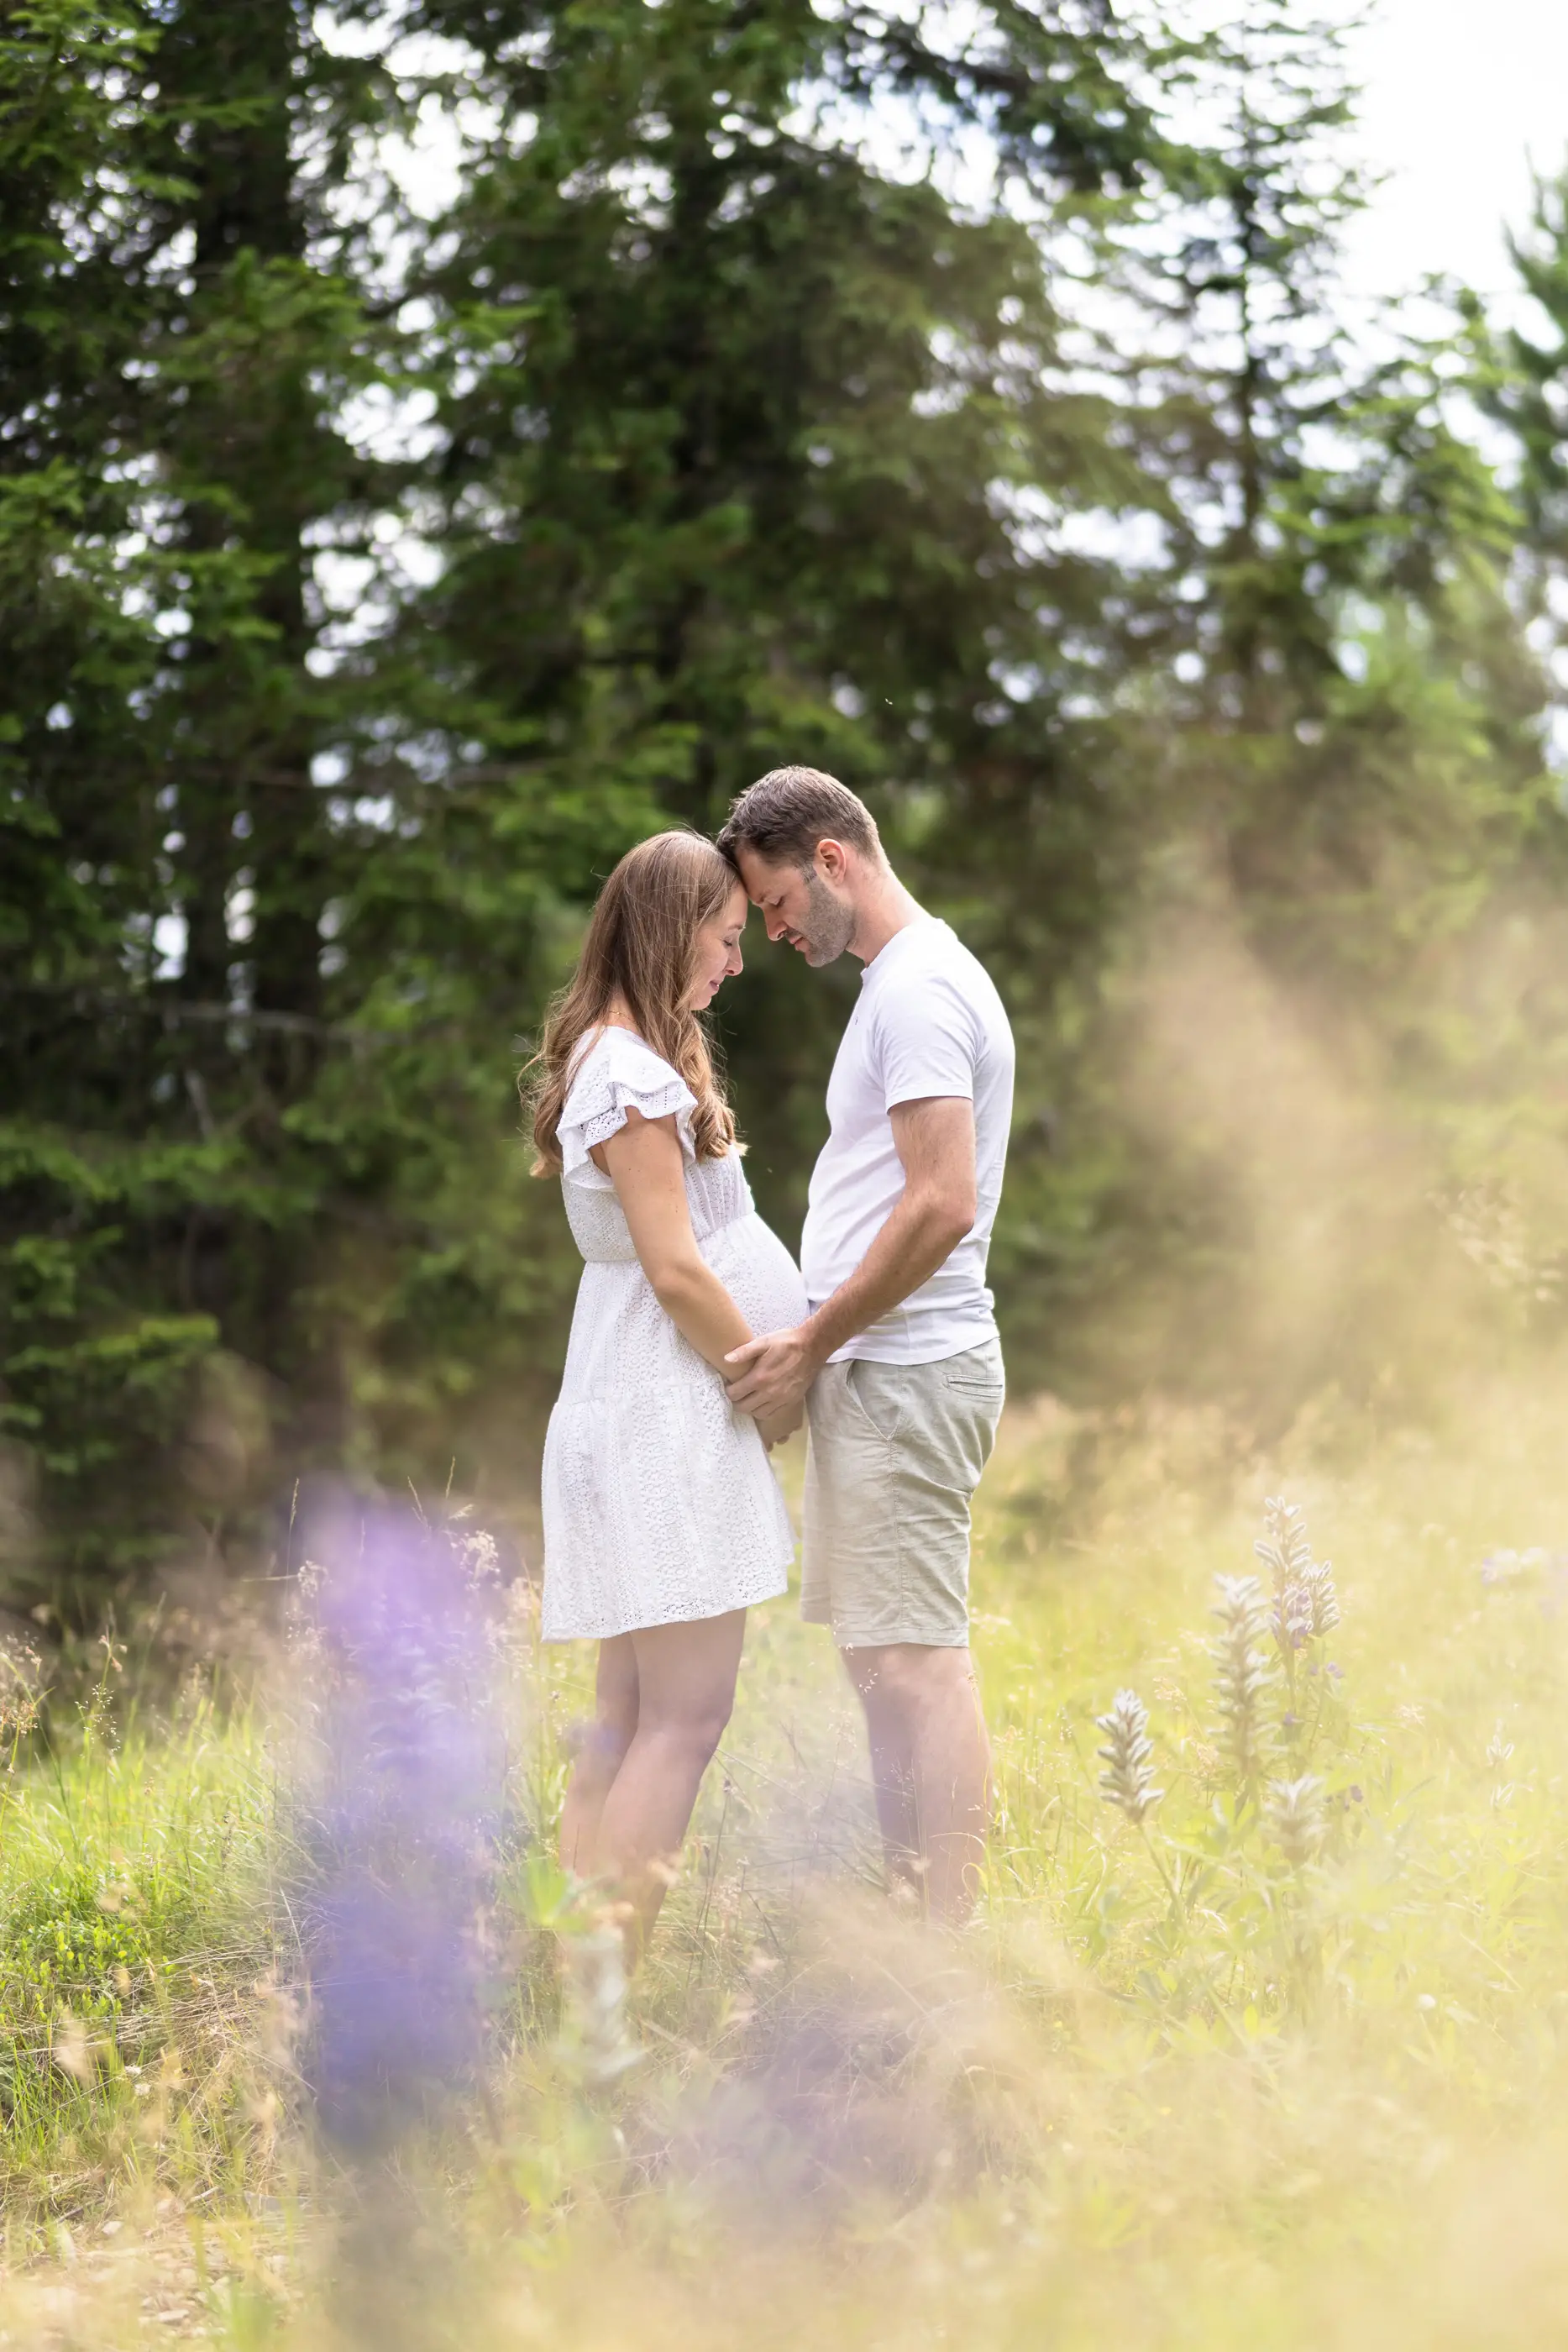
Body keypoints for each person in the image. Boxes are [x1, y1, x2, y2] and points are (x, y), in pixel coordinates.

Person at [716, 769, 1014, 1923]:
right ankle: (911, 1911)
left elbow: (941, 1204)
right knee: (878, 1663)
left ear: (831, 859)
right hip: (876, 1374)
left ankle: (946, 1937)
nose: (776, 930)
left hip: (905, 1370)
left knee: (916, 1664)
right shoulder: (900, 985)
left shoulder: (917, 993)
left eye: (779, 902)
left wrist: (808, 1340)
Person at [526, 830, 807, 1951]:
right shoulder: (631, 1076)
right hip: (665, 1413)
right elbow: (675, 1267)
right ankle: (607, 1984)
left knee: (628, 1716)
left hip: (629, 1400)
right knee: (683, 1718)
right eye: (726, 938)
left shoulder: (615, 1060)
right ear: (669, 929)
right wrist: (765, 1382)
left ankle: (573, 1974)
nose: (735, 964)